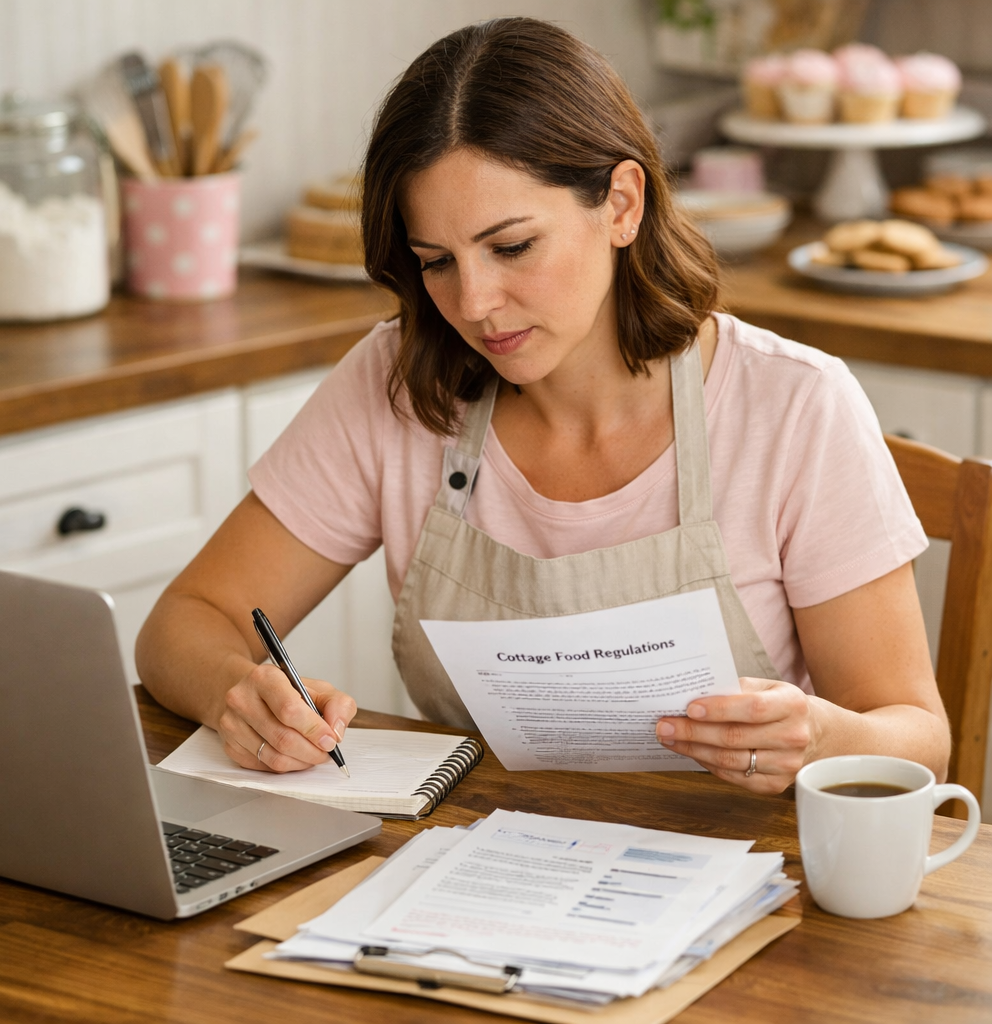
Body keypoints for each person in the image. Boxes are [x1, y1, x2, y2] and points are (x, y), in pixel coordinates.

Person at [136, 18, 949, 795]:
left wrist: (822, 738)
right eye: (436, 262)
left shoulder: (795, 406)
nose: (476, 303)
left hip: (745, 880)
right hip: (468, 868)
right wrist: (238, 694)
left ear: (622, 204)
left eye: (512, 246)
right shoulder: (399, 381)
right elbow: (183, 624)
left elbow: (917, 738)